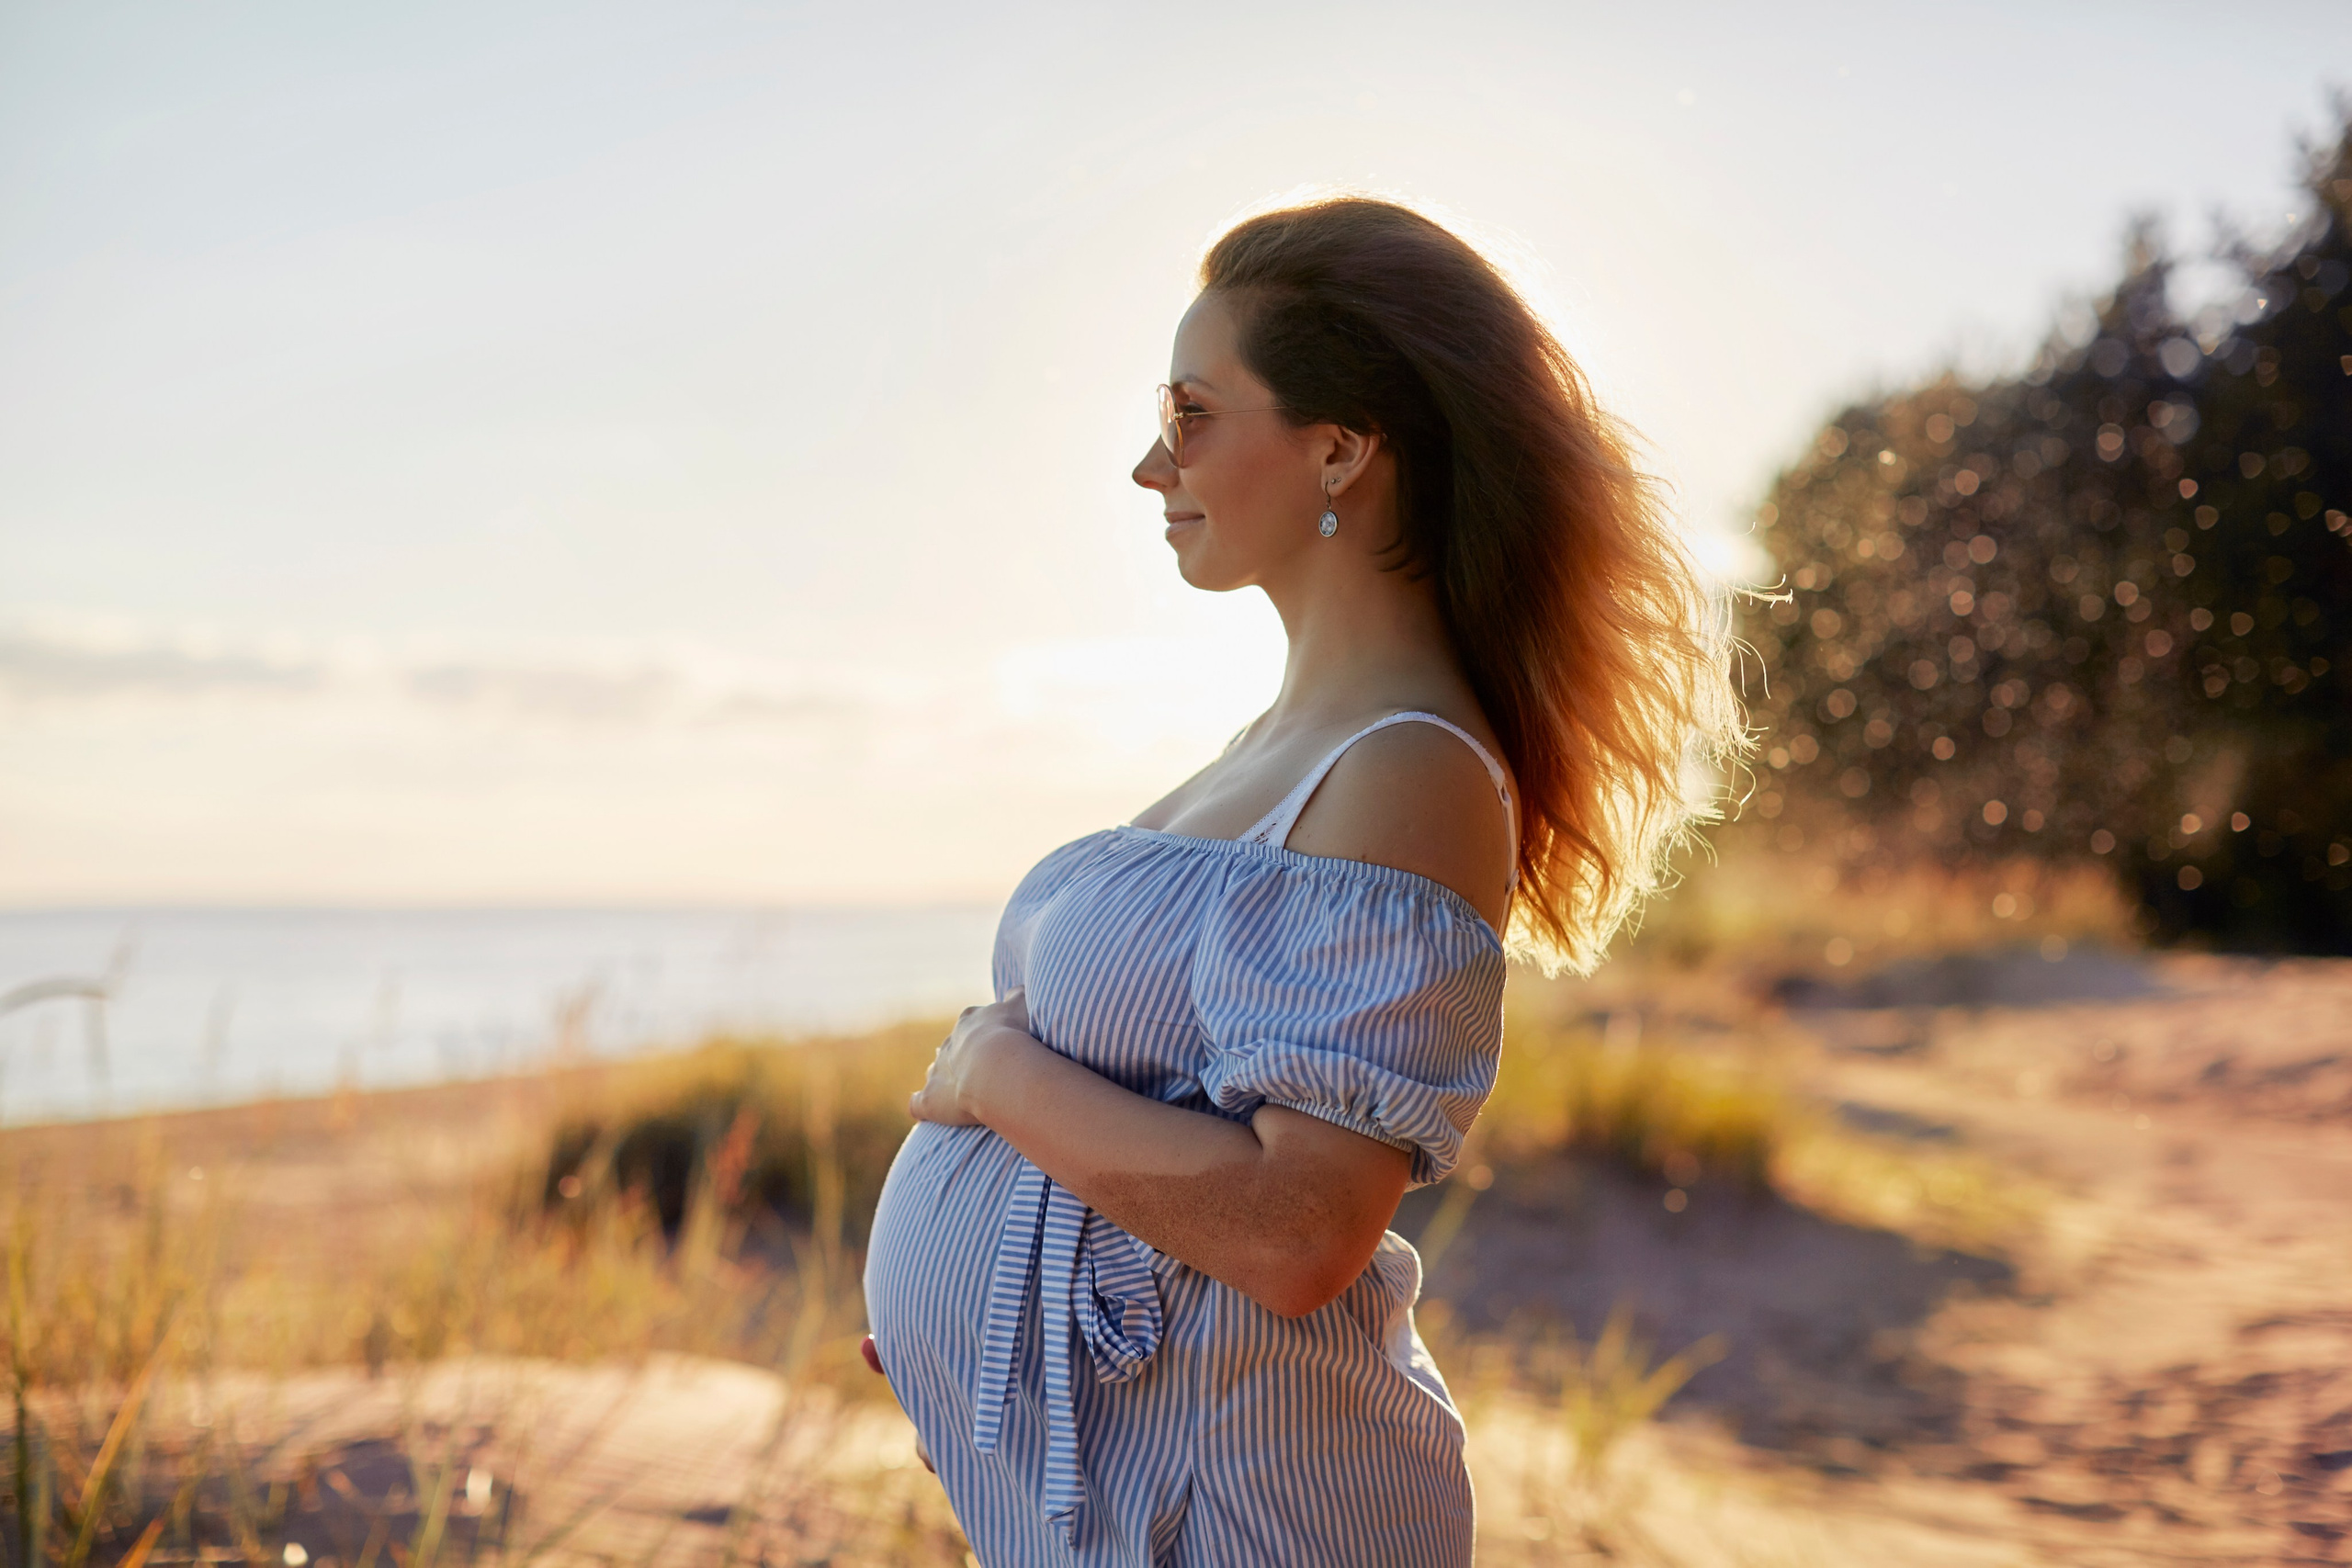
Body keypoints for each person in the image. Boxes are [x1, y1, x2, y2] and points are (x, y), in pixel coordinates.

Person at [863, 195, 1741, 1566]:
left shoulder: (1411, 775)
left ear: (1339, 449)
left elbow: (1297, 1231)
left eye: (1192, 413)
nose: (1152, 466)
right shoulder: (1280, 752)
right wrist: (994, 1345)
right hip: (1139, 1491)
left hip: (1250, 1515)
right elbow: (1169, 1147)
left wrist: (992, 1081)